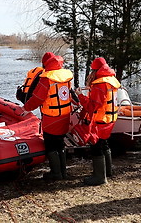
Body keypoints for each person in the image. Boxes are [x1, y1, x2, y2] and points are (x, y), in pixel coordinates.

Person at [21, 52, 74, 180]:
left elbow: (38, 98)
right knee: (60, 143)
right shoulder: (66, 77)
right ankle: (63, 171)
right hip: (65, 115)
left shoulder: (46, 79)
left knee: (51, 144)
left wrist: (26, 108)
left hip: (51, 118)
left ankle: (56, 174)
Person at [75, 57, 121, 186]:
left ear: (95, 70)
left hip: (100, 121)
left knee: (96, 146)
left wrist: (80, 96)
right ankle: (107, 171)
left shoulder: (100, 84)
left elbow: (92, 106)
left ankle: (99, 177)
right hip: (109, 119)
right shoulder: (112, 80)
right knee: (104, 144)